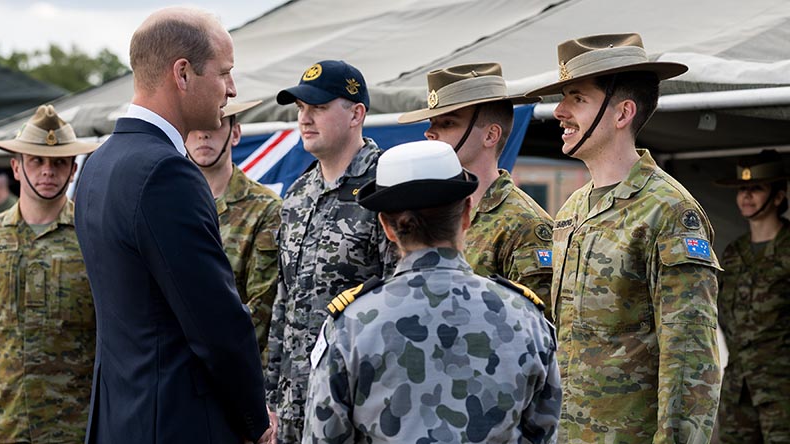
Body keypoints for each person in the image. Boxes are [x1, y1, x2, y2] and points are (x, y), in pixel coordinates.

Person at [73, 7, 272, 444]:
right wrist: (256, 421)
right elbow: (216, 325)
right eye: (224, 73)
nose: (231, 89)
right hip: (176, 423)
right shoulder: (167, 173)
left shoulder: (96, 165)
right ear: (182, 74)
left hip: (118, 420)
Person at [524, 33, 722, 442]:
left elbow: (690, 359)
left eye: (576, 98)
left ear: (622, 113)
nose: (558, 111)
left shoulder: (667, 211)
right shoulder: (573, 209)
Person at [303, 140, 561, 443]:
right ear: (466, 213)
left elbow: (324, 435)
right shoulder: (525, 316)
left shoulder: (350, 325)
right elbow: (544, 430)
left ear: (386, 226)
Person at [267, 59, 397, 442]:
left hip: (358, 407)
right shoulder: (297, 196)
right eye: (301, 109)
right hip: (295, 405)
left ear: (357, 113)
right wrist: (271, 396)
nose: (305, 119)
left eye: (319, 108)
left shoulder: (387, 189)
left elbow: (400, 300)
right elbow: (283, 302)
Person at [398, 62, 555, 318]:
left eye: (447, 123)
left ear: (491, 135)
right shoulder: (434, 211)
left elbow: (536, 328)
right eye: (432, 122)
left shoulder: (524, 225)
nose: (429, 132)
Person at [0, 105, 98, 443]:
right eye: (37, 161)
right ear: (16, 168)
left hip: (75, 428)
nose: (47, 171)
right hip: (1, 426)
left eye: (58, 162)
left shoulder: (96, 238)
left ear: (73, 169)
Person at [186, 100, 282, 359]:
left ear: (235, 133)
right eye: (194, 126)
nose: (203, 134)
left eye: (214, 124)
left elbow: (262, 311)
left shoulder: (266, 209)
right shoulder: (167, 205)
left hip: (233, 371)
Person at [713, 149, 790, 443]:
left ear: (779, 196)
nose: (746, 196)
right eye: (741, 189)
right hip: (738, 387)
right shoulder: (733, 253)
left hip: (781, 387)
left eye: (756, 188)